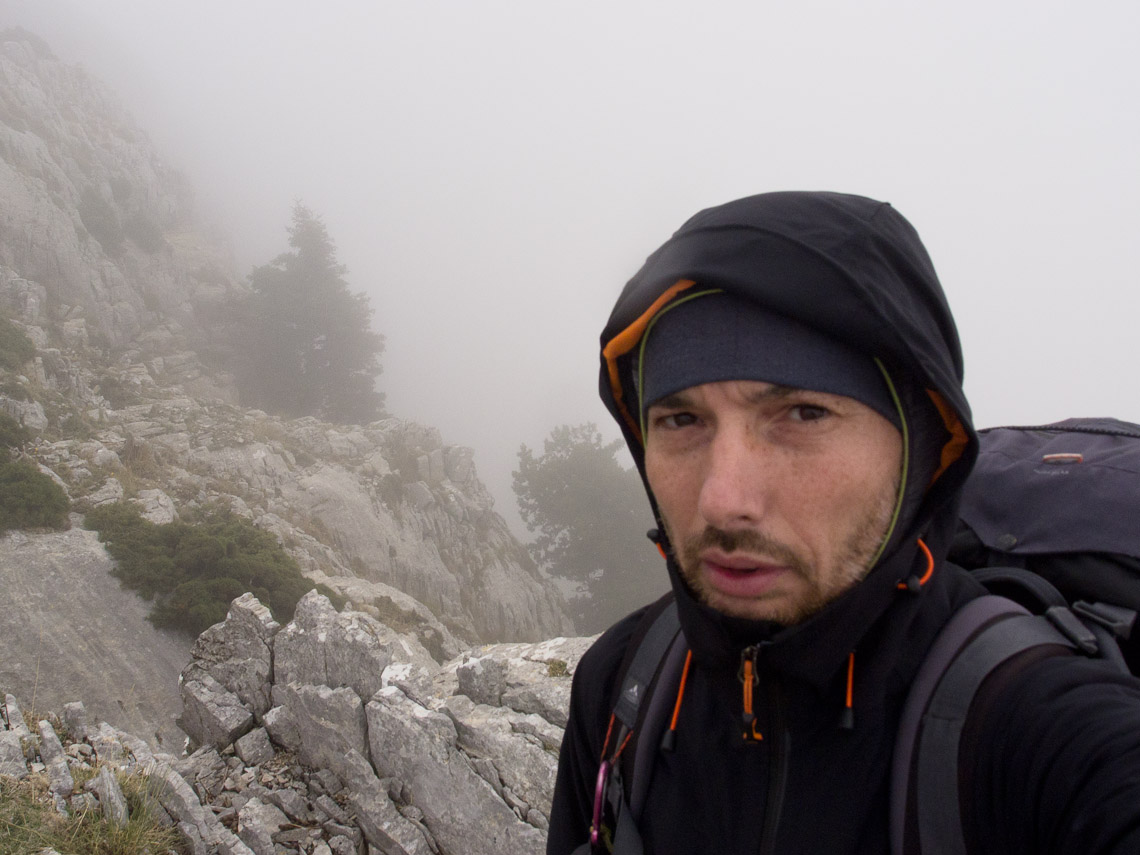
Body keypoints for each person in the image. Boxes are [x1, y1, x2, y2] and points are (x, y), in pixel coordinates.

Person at [546, 191, 1140, 854]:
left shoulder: (1043, 735)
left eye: (803, 414)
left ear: (920, 449)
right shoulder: (621, 687)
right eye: (681, 420)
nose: (723, 500)